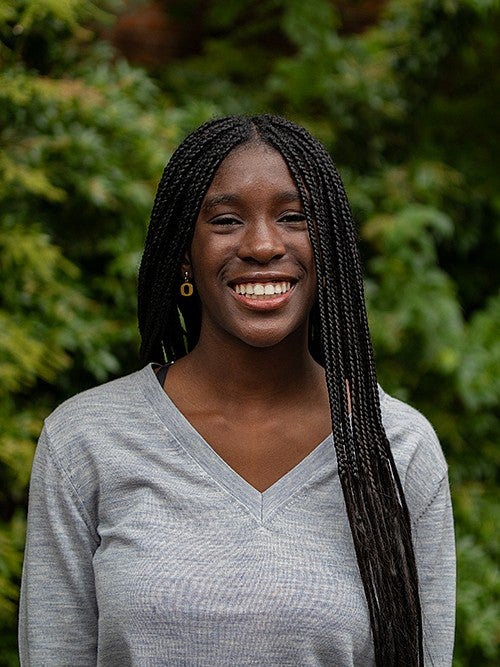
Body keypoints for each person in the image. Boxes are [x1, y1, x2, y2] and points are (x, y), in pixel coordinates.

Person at [19, 114, 455, 666]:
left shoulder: (398, 447)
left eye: (294, 217)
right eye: (226, 221)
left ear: (330, 247)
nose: (263, 244)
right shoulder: (86, 441)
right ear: (183, 252)